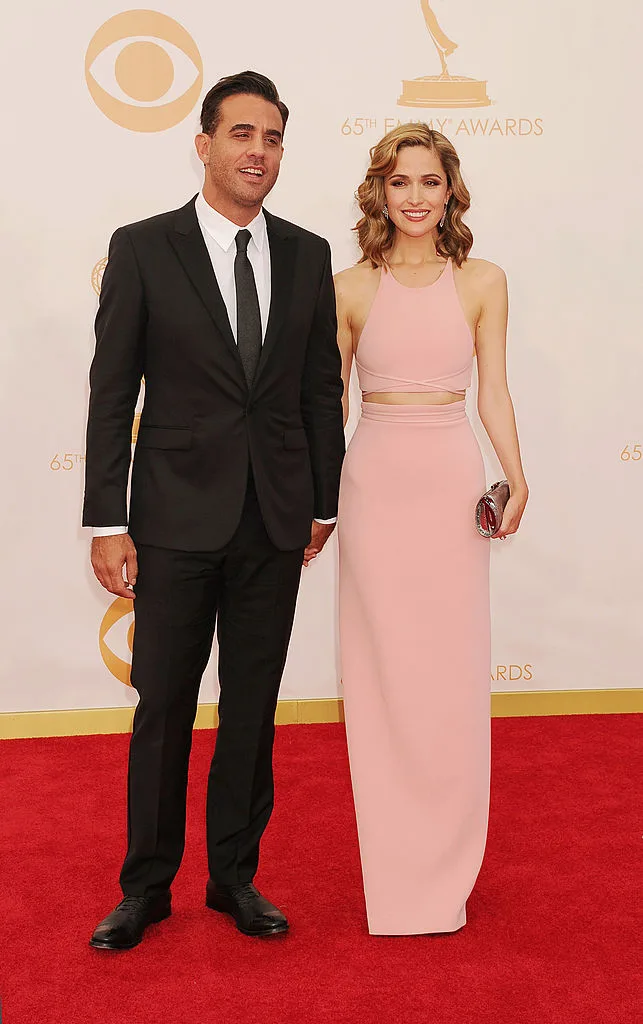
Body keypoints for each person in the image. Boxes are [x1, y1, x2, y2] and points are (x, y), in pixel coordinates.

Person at [83, 71, 345, 950]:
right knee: (163, 706)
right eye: (240, 134)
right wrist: (104, 519)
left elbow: (317, 392)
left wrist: (323, 501)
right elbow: (112, 391)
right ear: (203, 144)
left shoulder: (309, 255)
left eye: (271, 138)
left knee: (253, 707)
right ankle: (145, 887)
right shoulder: (143, 247)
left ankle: (234, 878)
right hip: (170, 518)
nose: (256, 152)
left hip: (274, 518)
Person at [335, 124, 528, 935]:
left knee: (447, 683)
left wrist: (515, 474)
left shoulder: (482, 280)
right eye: (400, 182)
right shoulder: (347, 287)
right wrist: (315, 502)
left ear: (451, 192)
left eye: (429, 182)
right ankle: (392, 880)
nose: (415, 197)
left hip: (449, 484)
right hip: (373, 486)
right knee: (381, 683)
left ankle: (443, 877)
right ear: (379, 192)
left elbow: (492, 394)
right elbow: (331, 405)